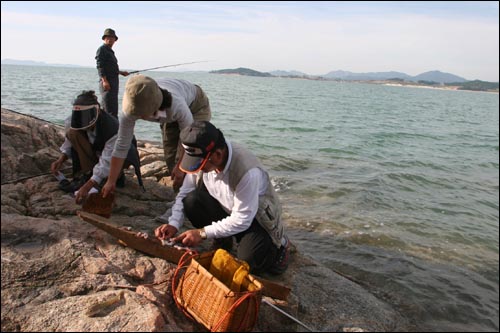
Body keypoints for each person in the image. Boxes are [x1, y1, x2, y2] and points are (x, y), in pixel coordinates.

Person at [153, 121, 290, 275]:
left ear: (217, 155)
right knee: (191, 201)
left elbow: (242, 219)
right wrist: (174, 224)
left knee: (248, 263)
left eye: (201, 164)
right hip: (228, 209)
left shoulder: (247, 171)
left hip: (255, 220)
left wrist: (203, 233)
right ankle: (224, 240)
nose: (198, 168)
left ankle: (280, 247)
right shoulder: (202, 154)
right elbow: (185, 192)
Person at [101, 74, 212, 204]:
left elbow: (190, 142)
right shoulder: (131, 108)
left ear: (154, 107)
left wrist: (181, 167)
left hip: (196, 106)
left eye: (141, 112)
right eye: (136, 112)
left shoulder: (177, 106)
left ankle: (196, 200)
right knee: (171, 158)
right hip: (167, 113)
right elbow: (121, 145)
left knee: (193, 158)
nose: (139, 116)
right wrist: (111, 181)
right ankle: (180, 199)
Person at [51, 90, 143, 204]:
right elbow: (70, 142)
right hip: (97, 152)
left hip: (120, 156)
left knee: (108, 171)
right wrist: (62, 159)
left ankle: (114, 176)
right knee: (72, 132)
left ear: (97, 112)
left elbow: (108, 159)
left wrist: (89, 185)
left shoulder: (113, 129)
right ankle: (88, 174)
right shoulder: (73, 120)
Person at [95, 28, 129, 118]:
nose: (110, 39)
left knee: (113, 108)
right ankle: (109, 130)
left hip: (113, 83)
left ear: (115, 40)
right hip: (107, 83)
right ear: (104, 39)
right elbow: (100, 66)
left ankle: (114, 129)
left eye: (112, 37)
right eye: (107, 37)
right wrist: (104, 81)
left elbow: (110, 67)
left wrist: (121, 72)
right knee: (108, 108)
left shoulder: (110, 51)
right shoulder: (102, 49)